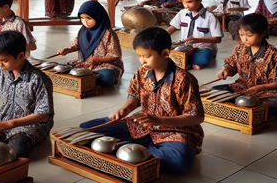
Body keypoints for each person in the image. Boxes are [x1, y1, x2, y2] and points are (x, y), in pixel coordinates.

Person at [79, 27, 204, 175]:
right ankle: (144, 150)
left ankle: (141, 149)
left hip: (175, 131)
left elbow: (196, 117)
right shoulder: (142, 72)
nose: (142, 61)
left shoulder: (184, 79)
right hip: (142, 125)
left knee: (179, 163)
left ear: (165, 53)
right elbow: (135, 96)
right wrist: (124, 110)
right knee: (87, 128)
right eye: (139, 56)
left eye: (147, 56)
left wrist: (158, 120)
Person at [216, 13, 277, 117]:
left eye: (249, 35)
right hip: (243, 87)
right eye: (242, 35)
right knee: (216, 91)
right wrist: (225, 69)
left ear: (262, 33)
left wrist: (261, 87)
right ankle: (249, 107)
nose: (245, 39)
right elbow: (231, 63)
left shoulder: (274, 54)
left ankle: (247, 107)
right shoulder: (239, 48)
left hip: (268, 91)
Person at [56, 1, 123, 88]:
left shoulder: (108, 33)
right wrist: (68, 50)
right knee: (60, 68)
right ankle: (87, 79)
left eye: (89, 18)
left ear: (98, 17)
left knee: (107, 78)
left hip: (104, 65)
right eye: (82, 18)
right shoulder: (83, 31)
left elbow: (116, 56)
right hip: (85, 63)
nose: (85, 21)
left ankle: (87, 79)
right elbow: (77, 45)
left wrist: (97, 60)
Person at [167, 0, 223, 70]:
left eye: (189, 2)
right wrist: (163, 34)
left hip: (203, 48)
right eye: (183, 2)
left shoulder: (210, 17)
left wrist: (197, 40)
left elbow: (217, 39)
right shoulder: (182, 13)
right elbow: (173, 27)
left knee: (205, 57)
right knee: (166, 52)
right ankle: (190, 63)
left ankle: (184, 62)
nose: (186, 5)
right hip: (185, 46)